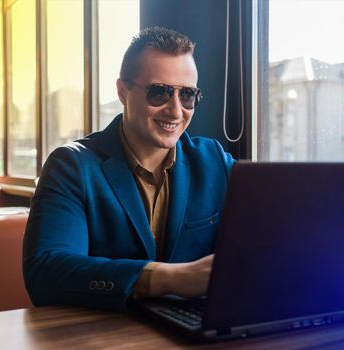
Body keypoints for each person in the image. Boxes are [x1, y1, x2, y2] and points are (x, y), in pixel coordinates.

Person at [23, 26, 235, 311]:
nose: (176, 111)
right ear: (123, 91)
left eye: (187, 95)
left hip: (193, 331)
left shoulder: (214, 160)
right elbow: (46, 274)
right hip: (101, 335)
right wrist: (171, 278)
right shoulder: (71, 166)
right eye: (159, 92)